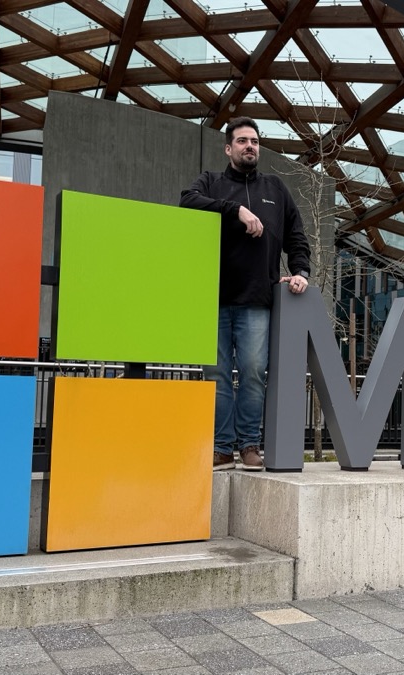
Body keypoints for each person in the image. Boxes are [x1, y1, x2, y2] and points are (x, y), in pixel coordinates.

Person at [180, 117, 312, 471]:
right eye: (242, 141)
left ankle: (249, 445)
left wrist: (301, 272)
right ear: (229, 148)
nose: (250, 146)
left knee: (253, 372)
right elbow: (186, 202)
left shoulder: (276, 188)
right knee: (217, 374)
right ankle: (222, 447)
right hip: (214, 298)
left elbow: (297, 238)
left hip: (257, 299)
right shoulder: (211, 182)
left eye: (254, 141)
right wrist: (234, 210)